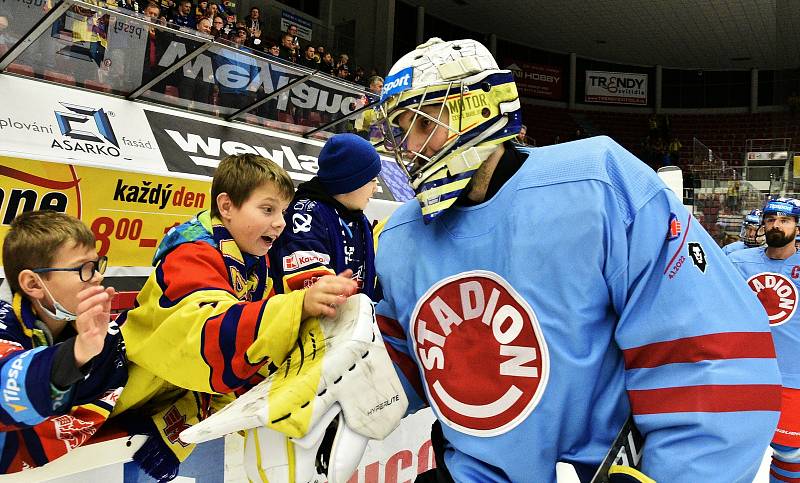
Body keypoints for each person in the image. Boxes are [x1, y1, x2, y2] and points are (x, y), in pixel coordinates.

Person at [373, 37, 781, 482]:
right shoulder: (401, 235)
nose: (409, 146)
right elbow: (411, 357)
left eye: (423, 121)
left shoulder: (599, 183)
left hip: (618, 465)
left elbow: (709, 348)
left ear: (481, 107)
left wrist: (679, 475)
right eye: (402, 129)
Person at [111, 154, 358, 480]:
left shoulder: (252, 261)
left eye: (283, 211)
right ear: (226, 207)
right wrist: (297, 306)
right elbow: (203, 335)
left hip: (174, 396)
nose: (281, 222)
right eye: (268, 209)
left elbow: (262, 331)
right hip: (125, 395)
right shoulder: (192, 253)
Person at [0, 211, 126, 473]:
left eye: (97, 264)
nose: (98, 277)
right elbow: (5, 383)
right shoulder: (4, 325)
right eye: (84, 268)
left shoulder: (105, 333)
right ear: (33, 283)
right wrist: (77, 354)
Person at [728, 197, 800, 483]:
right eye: (770, 220)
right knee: (731, 449)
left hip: (792, 376)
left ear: (797, 225)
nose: (775, 225)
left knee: (789, 452)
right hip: (742, 374)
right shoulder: (737, 261)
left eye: (784, 220)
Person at [270, 133, 381, 301]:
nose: (376, 188)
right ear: (350, 182)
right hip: (310, 323)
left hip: (350, 322)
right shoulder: (305, 213)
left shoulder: (357, 218)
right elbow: (308, 288)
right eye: (372, 180)